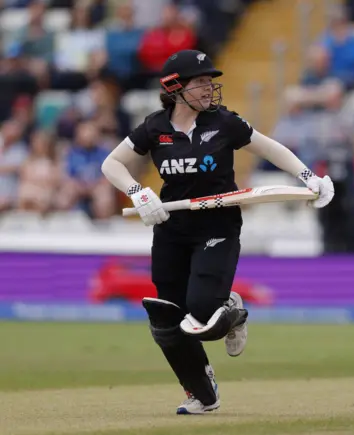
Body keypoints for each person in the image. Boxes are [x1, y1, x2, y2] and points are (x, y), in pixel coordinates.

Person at [100, 49, 334, 415]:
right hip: (171, 229)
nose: (209, 88)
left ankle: (230, 310)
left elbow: (269, 148)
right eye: (200, 82)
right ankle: (201, 395)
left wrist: (309, 178)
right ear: (175, 88)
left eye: (211, 81)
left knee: (203, 314)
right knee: (167, 318)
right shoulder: (154, 127)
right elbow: (111, 163)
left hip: (218, 225)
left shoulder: (224, 122)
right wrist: (138, 192)